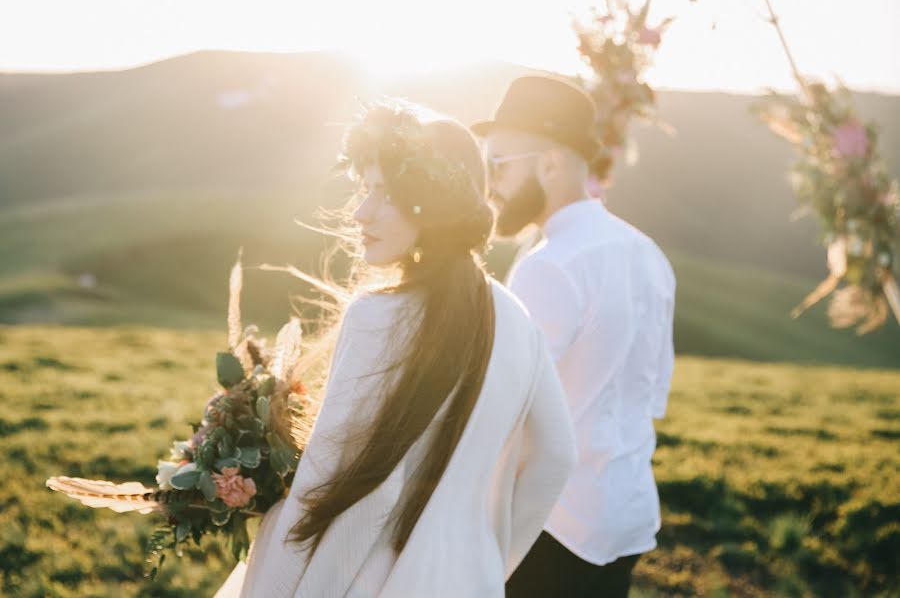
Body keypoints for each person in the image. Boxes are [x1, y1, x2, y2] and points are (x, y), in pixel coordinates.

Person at [214, 100, 577, 598]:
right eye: (364, 189)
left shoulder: (379, 315)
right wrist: (491, 556)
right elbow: (556, 456)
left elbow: (336, 487)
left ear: (434, 201)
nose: (362, 212)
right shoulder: (519, 319)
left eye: (386, 193)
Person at [473, 75, 676, 598]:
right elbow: (654, 393)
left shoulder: (550, 266)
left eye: (497, 164)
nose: (487, 184)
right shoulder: (647, 252)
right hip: (626, 512)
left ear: (549, 164)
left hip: (553, 526)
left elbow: (504, 408)